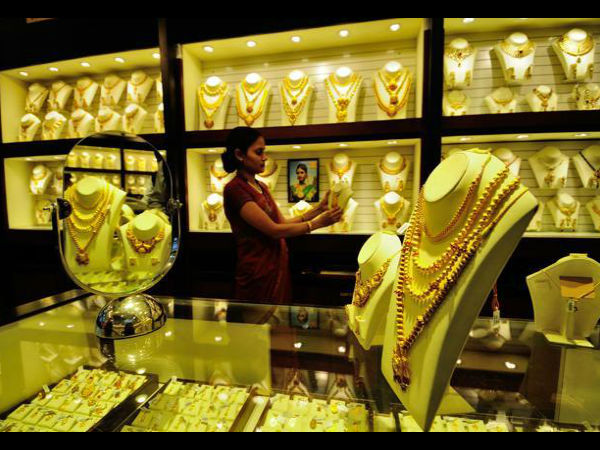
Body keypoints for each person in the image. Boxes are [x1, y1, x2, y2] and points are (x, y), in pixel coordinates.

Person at [222, 127, 343, 304]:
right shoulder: (235, 189)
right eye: (259, 152)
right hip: (257, 273)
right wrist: (317, 223)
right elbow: (274, 230)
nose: (265, 157)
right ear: (239, 155)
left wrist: (319, 209)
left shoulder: (261, 186)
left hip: (276, 268)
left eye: (264, 152)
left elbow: (283, 223)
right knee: (257, 320)